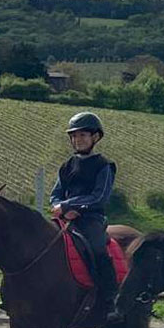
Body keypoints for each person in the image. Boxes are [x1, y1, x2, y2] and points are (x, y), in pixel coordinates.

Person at [49, 111, 117, 283]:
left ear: (95, 137)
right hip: (65, 218)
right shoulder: (66, 166)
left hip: (91, 219)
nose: (78, 139)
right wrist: (62, 210)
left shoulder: (104, 166)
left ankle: (108, 295)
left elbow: (98, 197)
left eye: (83, 135)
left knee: (97, 248)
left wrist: (68, 206)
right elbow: (55, 194)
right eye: (74, 136)